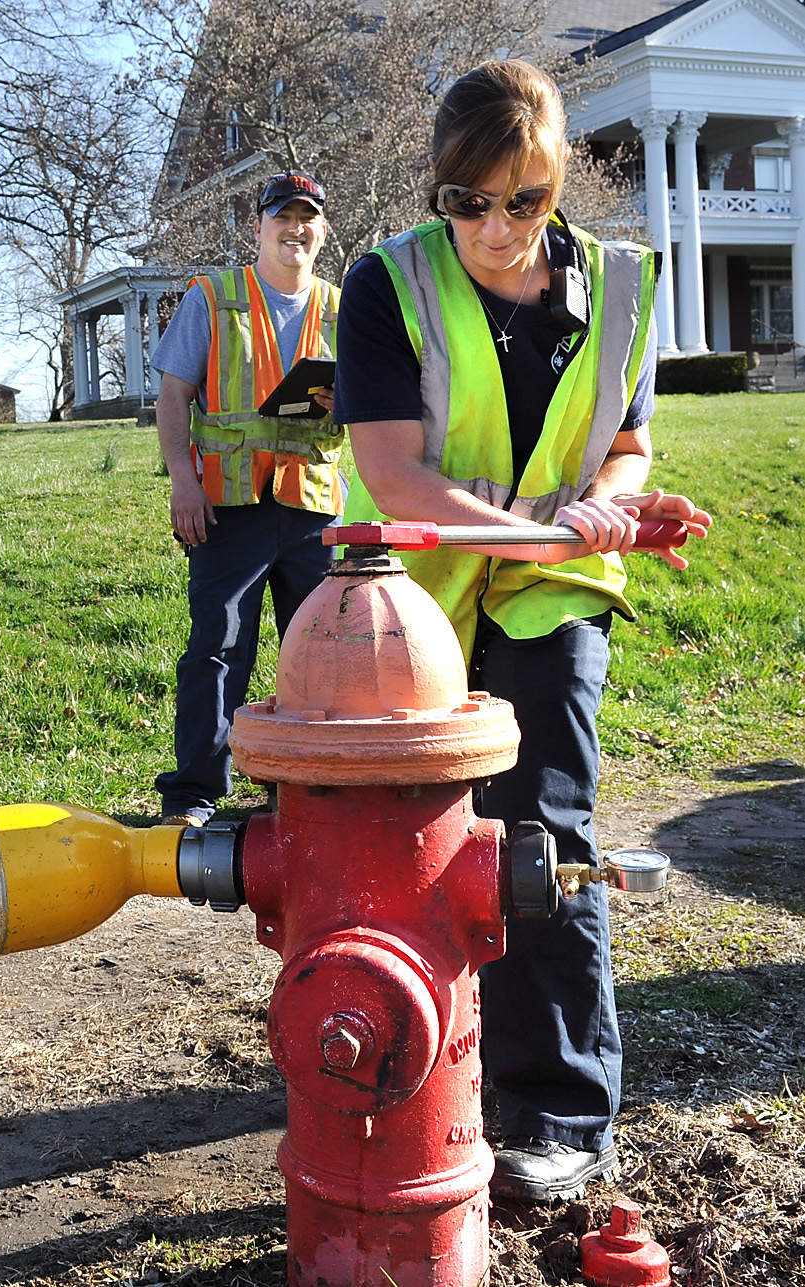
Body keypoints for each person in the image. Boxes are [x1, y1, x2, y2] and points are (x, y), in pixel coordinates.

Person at [333, 60, 711, 1203]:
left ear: (559, 183)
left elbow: (626, 446)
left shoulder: (623, 288)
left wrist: (612, 504)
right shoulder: (384, 284)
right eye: (467, 203)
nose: (496, 231)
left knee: (541, 828)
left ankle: (560, 1110)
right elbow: (393, 470)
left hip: (555, 589)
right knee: (416, 835)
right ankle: (424, 1052)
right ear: (436, 186)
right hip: (420, 598)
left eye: (525, 202)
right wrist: (541, 532)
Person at [151, 171, 346, 828]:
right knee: (217, 648)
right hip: (228, 504)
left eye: (307, 218)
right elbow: (173, 396)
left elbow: (377, 405)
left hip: (314, 506)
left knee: (317, 658)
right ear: (258, 226)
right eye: (282, 217)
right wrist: (182, 482)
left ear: (322, 231)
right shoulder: (212, 298)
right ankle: (193, 795)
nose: (295, 228)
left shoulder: (345, 308)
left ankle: (309, 789)